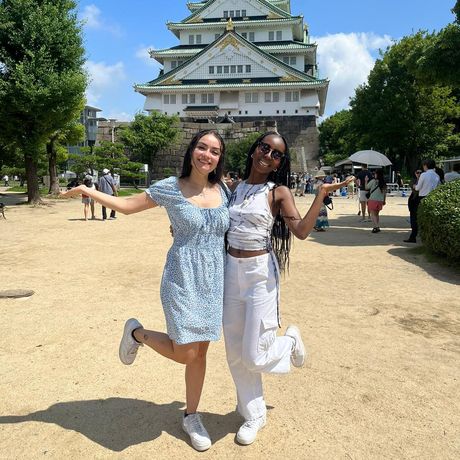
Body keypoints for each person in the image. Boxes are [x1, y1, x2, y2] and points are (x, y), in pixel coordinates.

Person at [61, 130, 230, 452]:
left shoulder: (223, 189)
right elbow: (126, 205)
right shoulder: (170, 188)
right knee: (186, 353)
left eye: (215, 151)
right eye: (202, 147)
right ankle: (137, 334)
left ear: (220, 158)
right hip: (181, 276)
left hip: (213, 279)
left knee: (201, 353)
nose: (207, 155)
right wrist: (88, 190)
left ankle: (191, 415)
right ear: (191, 151)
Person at [223, 132, 353, 445]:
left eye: (276, 153)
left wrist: (320, 194)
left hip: (260, 276)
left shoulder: (277, 192)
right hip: (231, 272)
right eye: (264, 147)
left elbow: (302, 232)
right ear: (255, 149)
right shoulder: (233, 187)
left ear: (281, 163)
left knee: (254, 355)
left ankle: (290, 341)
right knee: (234, 353)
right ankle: (254, 413)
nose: (268, 154)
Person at [404, 159, 440, 243]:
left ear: (426, 165)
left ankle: (413, 236)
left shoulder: (424, 175)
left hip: (421, 198)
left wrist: (414, 185)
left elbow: (418, 187)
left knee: (415, 217)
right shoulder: (436, 176)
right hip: (432, 197)